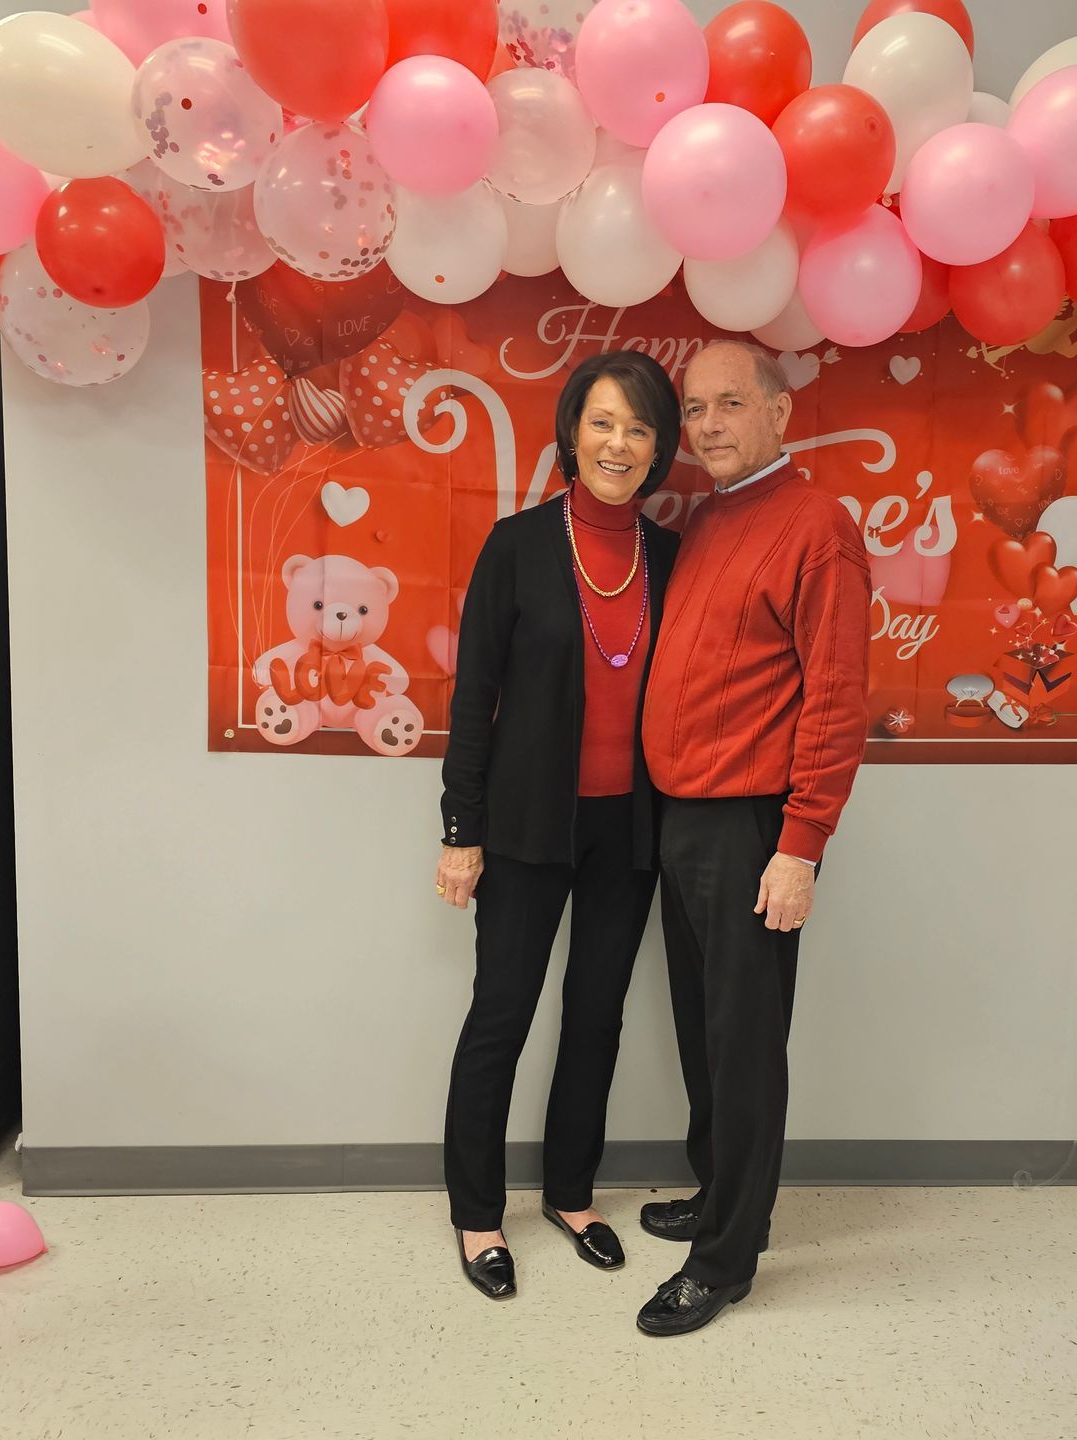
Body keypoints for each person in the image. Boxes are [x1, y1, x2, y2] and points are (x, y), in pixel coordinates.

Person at [631, 341, 872, 1336]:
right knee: (703, 1029)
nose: (710, 425)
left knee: (744, 1043)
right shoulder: (713, 519)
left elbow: (839, 698)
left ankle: (726, 1256)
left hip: (752, 829)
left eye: (732, 402)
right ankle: (720, 1191)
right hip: (682, 819)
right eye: (695, 409)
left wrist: (801, 844)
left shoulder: (819, 526)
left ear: (778, 409)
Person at [437, 351, 682, 1301]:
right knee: (501, 1017)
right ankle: (477, 1215)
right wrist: (461, 830)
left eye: (640, 429)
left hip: (631, 831)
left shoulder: (669, 556)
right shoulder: (517, 545)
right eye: (604, 423)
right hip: (524, 827)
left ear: (658, 449)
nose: (619, 444)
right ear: (573, 430)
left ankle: (573, 1194)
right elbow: (473, 702)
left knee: (597, 1016)